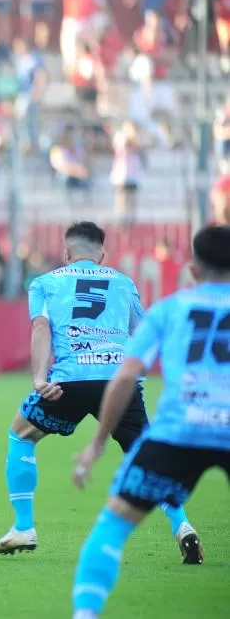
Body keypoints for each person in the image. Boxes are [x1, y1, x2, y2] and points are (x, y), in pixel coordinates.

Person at [0, 221, 201, 562]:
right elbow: (143, 332)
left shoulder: (44, 283)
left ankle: (24, 527)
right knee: (145, 458)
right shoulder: (123, 282)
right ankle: (183, 527)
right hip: (119, 380)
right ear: (102, 255)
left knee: (21, 435)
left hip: (69, 381)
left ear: (66, 252)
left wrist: (39, 378)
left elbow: (41, 327)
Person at [71, 225, 230, 618]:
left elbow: (125, 376)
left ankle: (85, 614)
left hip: (177, 433)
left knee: (113, 524)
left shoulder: (170, 309)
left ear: (193, 270)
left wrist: (97, 443)